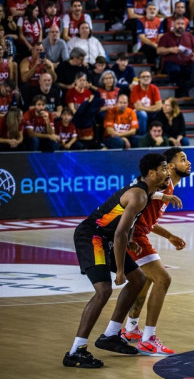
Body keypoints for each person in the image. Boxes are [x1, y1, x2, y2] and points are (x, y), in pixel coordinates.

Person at [62, 153, 169, 369]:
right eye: (164, 168)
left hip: (107, 237)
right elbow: (119, 232)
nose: (167, 172)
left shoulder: (145, 192)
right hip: (92, 236)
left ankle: (110, 335)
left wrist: (129, 241)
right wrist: (120, 269)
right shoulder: (139, 195)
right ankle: (76, 350)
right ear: (151, 173)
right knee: (104, 290)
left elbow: (124, 226)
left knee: (138, 279)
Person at [120, 148, 188, 355]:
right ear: (169, 166)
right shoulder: (162, 184)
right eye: (183, 159)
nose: (188, 163)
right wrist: (161, 195)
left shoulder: (167, 187)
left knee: (147, 279)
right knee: (162, 279)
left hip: (137, 234)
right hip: (131, 237)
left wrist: (168, 235)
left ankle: (131, 328)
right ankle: (148, 339)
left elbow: (148, 220)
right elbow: (138, 189)